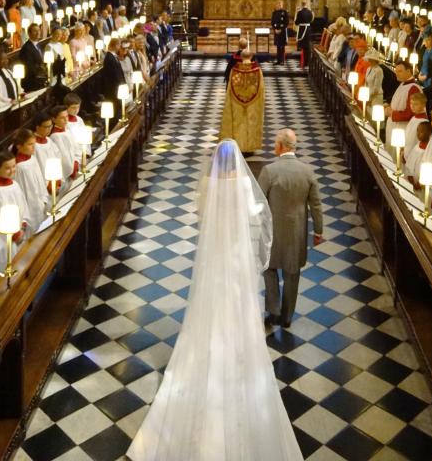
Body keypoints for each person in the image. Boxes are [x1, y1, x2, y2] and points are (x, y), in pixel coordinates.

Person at [128, 138, 303, 461]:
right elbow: (257, 215)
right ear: (236, 163)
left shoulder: (208, 183)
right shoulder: (242, 185)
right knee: (238, 300)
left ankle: (208, 346)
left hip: (213, 257)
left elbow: (200, 213)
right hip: (235, 256)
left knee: (208, 302)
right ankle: (237, 344)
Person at [258, 129, 323, 328]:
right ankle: (287, 317)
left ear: (280, 146)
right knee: (292, 274)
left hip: (273, 233)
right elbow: (316, 204)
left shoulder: (269, 171)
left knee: (269, 270)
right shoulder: (307, 171)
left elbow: (259, 202)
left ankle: (274, 311)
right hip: (297, 234)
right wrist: (318, 231)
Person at [219, 50, 265, 155]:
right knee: (250, 122)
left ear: (241, 56)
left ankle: (238, 146)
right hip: (253, 102)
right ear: (252, 56)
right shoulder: (257, 71)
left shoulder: (234, 70)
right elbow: (261, 88)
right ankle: (250, 147)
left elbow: (230, 87)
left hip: (236, 101)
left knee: (238, 122)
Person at [11, 129, 47, 232]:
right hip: (31, 209)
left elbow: (40, 181)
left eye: (34, 144)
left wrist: (43, 199)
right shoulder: (19, 167)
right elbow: (24, 192)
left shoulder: (32, 158)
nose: (34, 147)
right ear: (19, 146)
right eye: (30, 144)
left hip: (40, 203)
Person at [0, 151, 29, 247]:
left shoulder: (14, 184)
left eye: (14, 166)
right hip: (7, 238)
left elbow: (22, 205)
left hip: (20, 231)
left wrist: (23, 224)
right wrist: (15, 235)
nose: (12, 170)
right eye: (7, 168)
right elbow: (0, 216)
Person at [384, 60, 422, 146]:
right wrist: (389, 106)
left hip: (402, 130)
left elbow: (411, 113)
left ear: (408, 71)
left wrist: (392, 114)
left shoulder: (413, 88)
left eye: (400, 71)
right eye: (396, 71)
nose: (397, 73)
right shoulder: (402, 84)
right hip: (395, 127)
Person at [19, 23, 48, 91]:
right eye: (35, 31)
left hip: (41, 80)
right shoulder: (26, 48)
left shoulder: (39, 45)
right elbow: (29, 67)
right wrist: (42, 73)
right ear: (29, 33)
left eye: (38, 30)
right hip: (32, 83)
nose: (38, 32)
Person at [404, 91, 429, 162]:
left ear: (424, 105)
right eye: (411, 103)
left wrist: (411, 155)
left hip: (415, 156)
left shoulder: (424, 122)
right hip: (407, 153)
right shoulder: (414, 118)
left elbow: (418, 141)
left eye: (416, 104)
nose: (412, 106)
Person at [294, 2, 314, 69]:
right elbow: (311, 20)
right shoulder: (310, 12)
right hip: (308, 30)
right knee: (307, 47)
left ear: (301, 5)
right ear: (306, 5)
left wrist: (297, 13)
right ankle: (307, 62)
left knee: (303, 47)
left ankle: (304, 63)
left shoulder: (300, 12)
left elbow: (296, 22)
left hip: (302, 30)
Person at [271, 0, 290, 66]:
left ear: (282, 5)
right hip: (276, 31)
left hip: (283, 32)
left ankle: (282, 61)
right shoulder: (274, 13)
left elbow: (286, 23)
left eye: (280, 4)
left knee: (282, 46)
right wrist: (275, 29)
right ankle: (278, 60)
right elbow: (272, 22)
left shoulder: (285, 12)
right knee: (278, 46)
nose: (279, 5)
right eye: (278, 4)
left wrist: (281, 30)